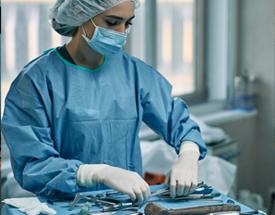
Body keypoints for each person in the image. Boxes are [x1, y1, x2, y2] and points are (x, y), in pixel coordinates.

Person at [2, 0, 207, 204]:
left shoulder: (132, 73)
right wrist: (94, 173)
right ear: (81, 13)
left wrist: (188, 155)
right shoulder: (36, 81)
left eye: (127, 24)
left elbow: (177, 121)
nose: (121, 33)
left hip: (126, 204)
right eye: (112, 22)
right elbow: (33, 164)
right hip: (66, 207)